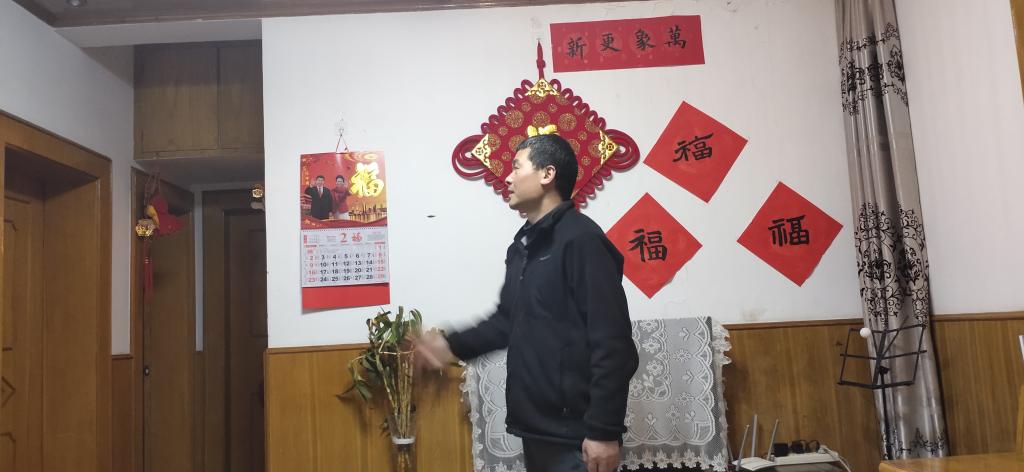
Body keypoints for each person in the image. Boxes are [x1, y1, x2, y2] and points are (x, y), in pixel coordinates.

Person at [416, 134, 639, 472]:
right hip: (537, 428)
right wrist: (448, 346)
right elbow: (507, 321)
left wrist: (603, 431)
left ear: (547, 174)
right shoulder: (523, 247)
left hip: (576, 436)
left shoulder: (582, 240)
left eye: (516, 167)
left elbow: (613, 342)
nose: (507, 178)